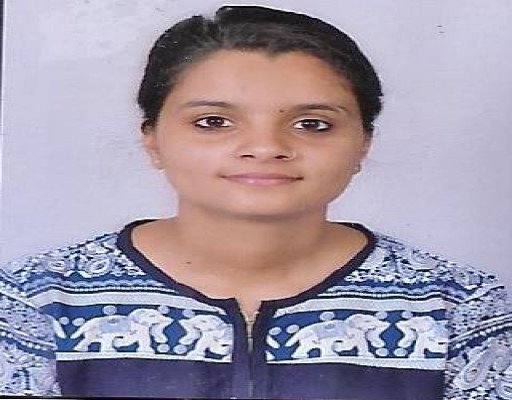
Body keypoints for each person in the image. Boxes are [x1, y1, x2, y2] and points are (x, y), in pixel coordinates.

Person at [0, 4, 510, 399]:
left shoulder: (462, 310)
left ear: (363, 143)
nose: (265, 147)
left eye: (312, 124)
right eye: (213, 122)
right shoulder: (34, 302)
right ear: (152, 139)